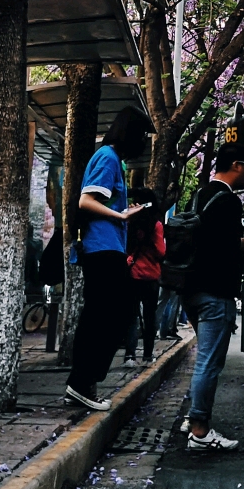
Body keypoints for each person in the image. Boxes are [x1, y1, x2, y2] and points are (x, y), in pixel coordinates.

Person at [179, 145, 244, 451]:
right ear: (236, 165)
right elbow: (228, 248)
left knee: (205, 361)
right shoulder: (228, 202)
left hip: (191, 289)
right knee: (209, 363)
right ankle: (199, 430)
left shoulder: (200, 195)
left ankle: (192, 419)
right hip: (215, 292)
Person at [64, 107, 152, 411]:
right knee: (105, 316)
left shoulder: (114, 160)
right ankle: (81, 382)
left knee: (109, 315)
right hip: (101, 248)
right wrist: (122, 215)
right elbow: (86, 200)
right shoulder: (107, 158)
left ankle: (84, 381)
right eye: (142, 136)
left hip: (108, 247)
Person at [125, 188, 165, 367]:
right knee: (149, 317)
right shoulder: (155, 225)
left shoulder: (129, 222)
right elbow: (161, 252)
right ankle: (148, 355)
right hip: (151, 276)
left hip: (132, 274)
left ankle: (129, 356)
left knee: (131, 315)